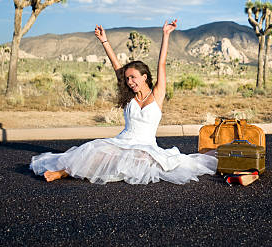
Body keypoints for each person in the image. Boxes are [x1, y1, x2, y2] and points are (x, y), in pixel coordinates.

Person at [29, 20, 218, 185]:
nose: (130, 82)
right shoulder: (129, 97)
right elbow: (116, 67)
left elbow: (161, 63)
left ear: (144, 77)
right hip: (122, 141)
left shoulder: (157, 94)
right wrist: (104, 41)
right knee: (93, 151)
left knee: (140, 160)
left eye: (133, 78)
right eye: (127, 79)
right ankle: (62, 172)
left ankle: (64, 173)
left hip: (146, 146)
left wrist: (166, 34)